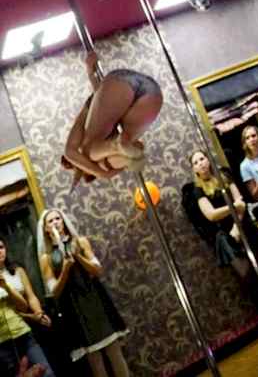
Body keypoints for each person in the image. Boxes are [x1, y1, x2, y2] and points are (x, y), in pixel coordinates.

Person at [38, 209, 128, 377]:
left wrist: (78, 257)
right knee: (95, 361)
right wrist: (65, 268)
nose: (55, 222)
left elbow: (98, 270)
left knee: (115, 352)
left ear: (63, 221)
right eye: (50, 221)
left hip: (95, 301)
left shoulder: (80, 242)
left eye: (58, 218)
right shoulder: (46, 258)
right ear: (46, 229)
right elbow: (54, 292)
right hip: (74, 310)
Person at [63, 51, 163, 185]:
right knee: (118, 151)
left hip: (134, 89)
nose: (86, 165)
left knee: (89, 150)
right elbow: (101, 98)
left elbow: (69, 152)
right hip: (147, 93)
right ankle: (122, 150)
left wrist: (103, 173)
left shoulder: (84, 137)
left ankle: (117, 148)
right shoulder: (101, 148)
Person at [0, 238, 54, 377]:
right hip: (4, 337)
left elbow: (30, 297)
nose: (0, 252)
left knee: (46, 372)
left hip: (25, 330)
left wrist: (39, 313)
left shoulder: (17, 271)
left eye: (1, 247)